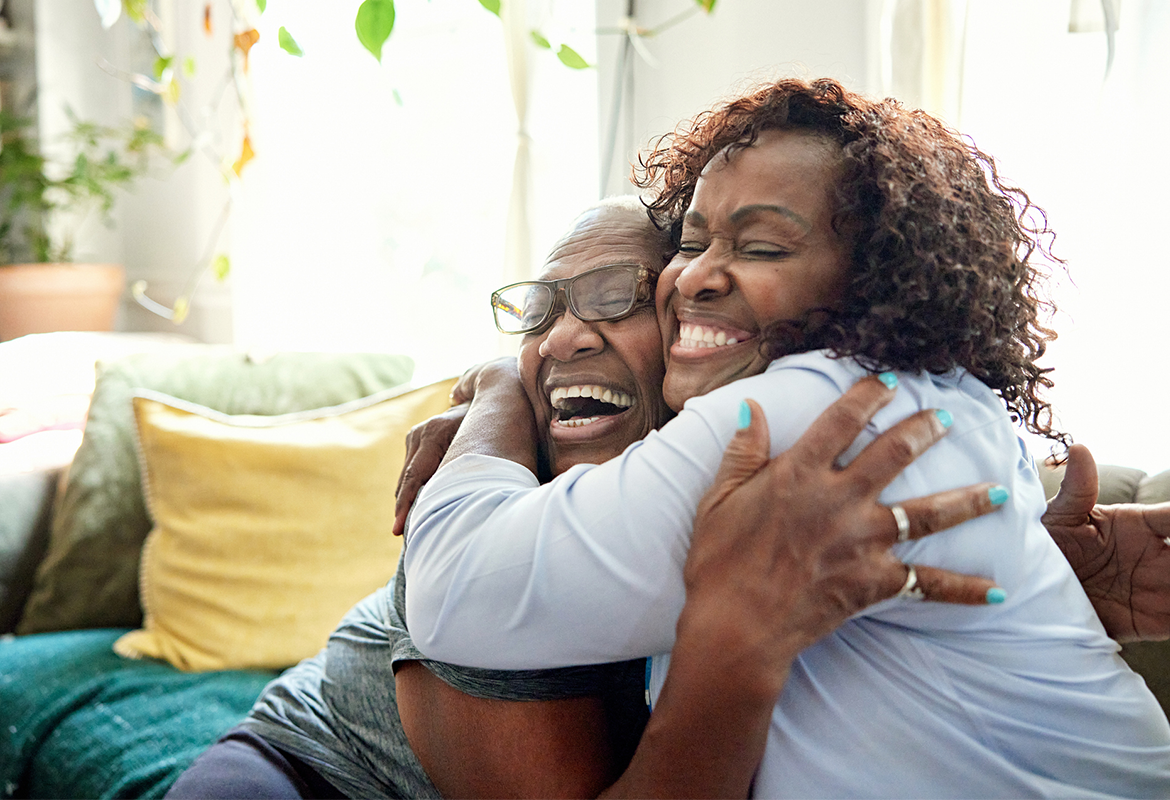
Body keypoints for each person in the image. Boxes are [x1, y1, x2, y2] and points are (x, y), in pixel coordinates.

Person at [401, 79, 1170, 798]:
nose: (696, 277)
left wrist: (498, 386)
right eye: (690, 242)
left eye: (761, 248)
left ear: (873, 282)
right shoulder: (938, 402)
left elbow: (454, 590)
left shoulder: (801, 419)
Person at [167, 198, 1012, 799]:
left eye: (617, 296)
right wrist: (500, 386)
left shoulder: (782, 462)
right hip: (306, 774)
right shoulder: (492, 535)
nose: (564, 337)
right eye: (540, 314)